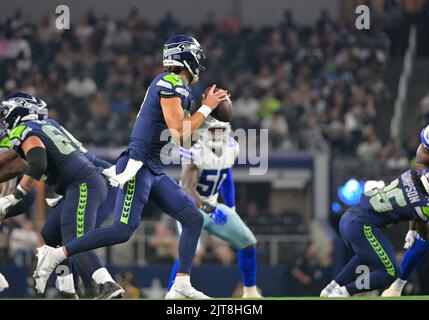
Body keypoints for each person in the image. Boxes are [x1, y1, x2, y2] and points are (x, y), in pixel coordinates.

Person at [32, 35, 228, 299]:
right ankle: (56, 253)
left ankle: (181, 284)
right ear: (186, 58)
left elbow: (188, 136)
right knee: (122, 231)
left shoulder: (179, 88)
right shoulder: (169, 82)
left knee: (192, 218)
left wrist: (206, 116)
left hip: (154, 168)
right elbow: (180, 133)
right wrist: (206, 107)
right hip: (138, 165)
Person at [0, 92, 124, 299]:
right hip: (82, 184)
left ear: (17, 112)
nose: (4, 121)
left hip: (83, 184)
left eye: (5, 115)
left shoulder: (26, 130)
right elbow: (15, 163)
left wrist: (14, 197)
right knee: (50, 234)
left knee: (75, 238)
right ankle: (67, 287)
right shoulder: (47, 126)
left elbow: (36, 164)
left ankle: (106, 284)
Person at [167, 120, 261, 298]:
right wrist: (208, 208)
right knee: (190, 251)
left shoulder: (231, 148)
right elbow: (187, 188)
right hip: (189, 207)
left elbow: (226, 176)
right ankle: (172, 292)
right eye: (212, 130)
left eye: (219, 130)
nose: (216, 134)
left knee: (247, 241)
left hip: (212, 205)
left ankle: (250, 292)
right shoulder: (194, 148)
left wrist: (230, 207)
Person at [321, 169, 429, 297]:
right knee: (391, 271)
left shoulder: (410, 174)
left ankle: (333, 286)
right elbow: (424, 232)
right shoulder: (424, 206)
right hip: (361, 225)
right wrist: (415, 230)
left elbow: (412, 200)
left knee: (365, 255)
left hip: (349, 217)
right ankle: (343, 292)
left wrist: (411, 229)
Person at [382, 124, 429, 296]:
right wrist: (411, 229)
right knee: (422, 241)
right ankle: (396, 286)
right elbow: (417, 199)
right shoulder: (423, 156)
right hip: (425, 200)